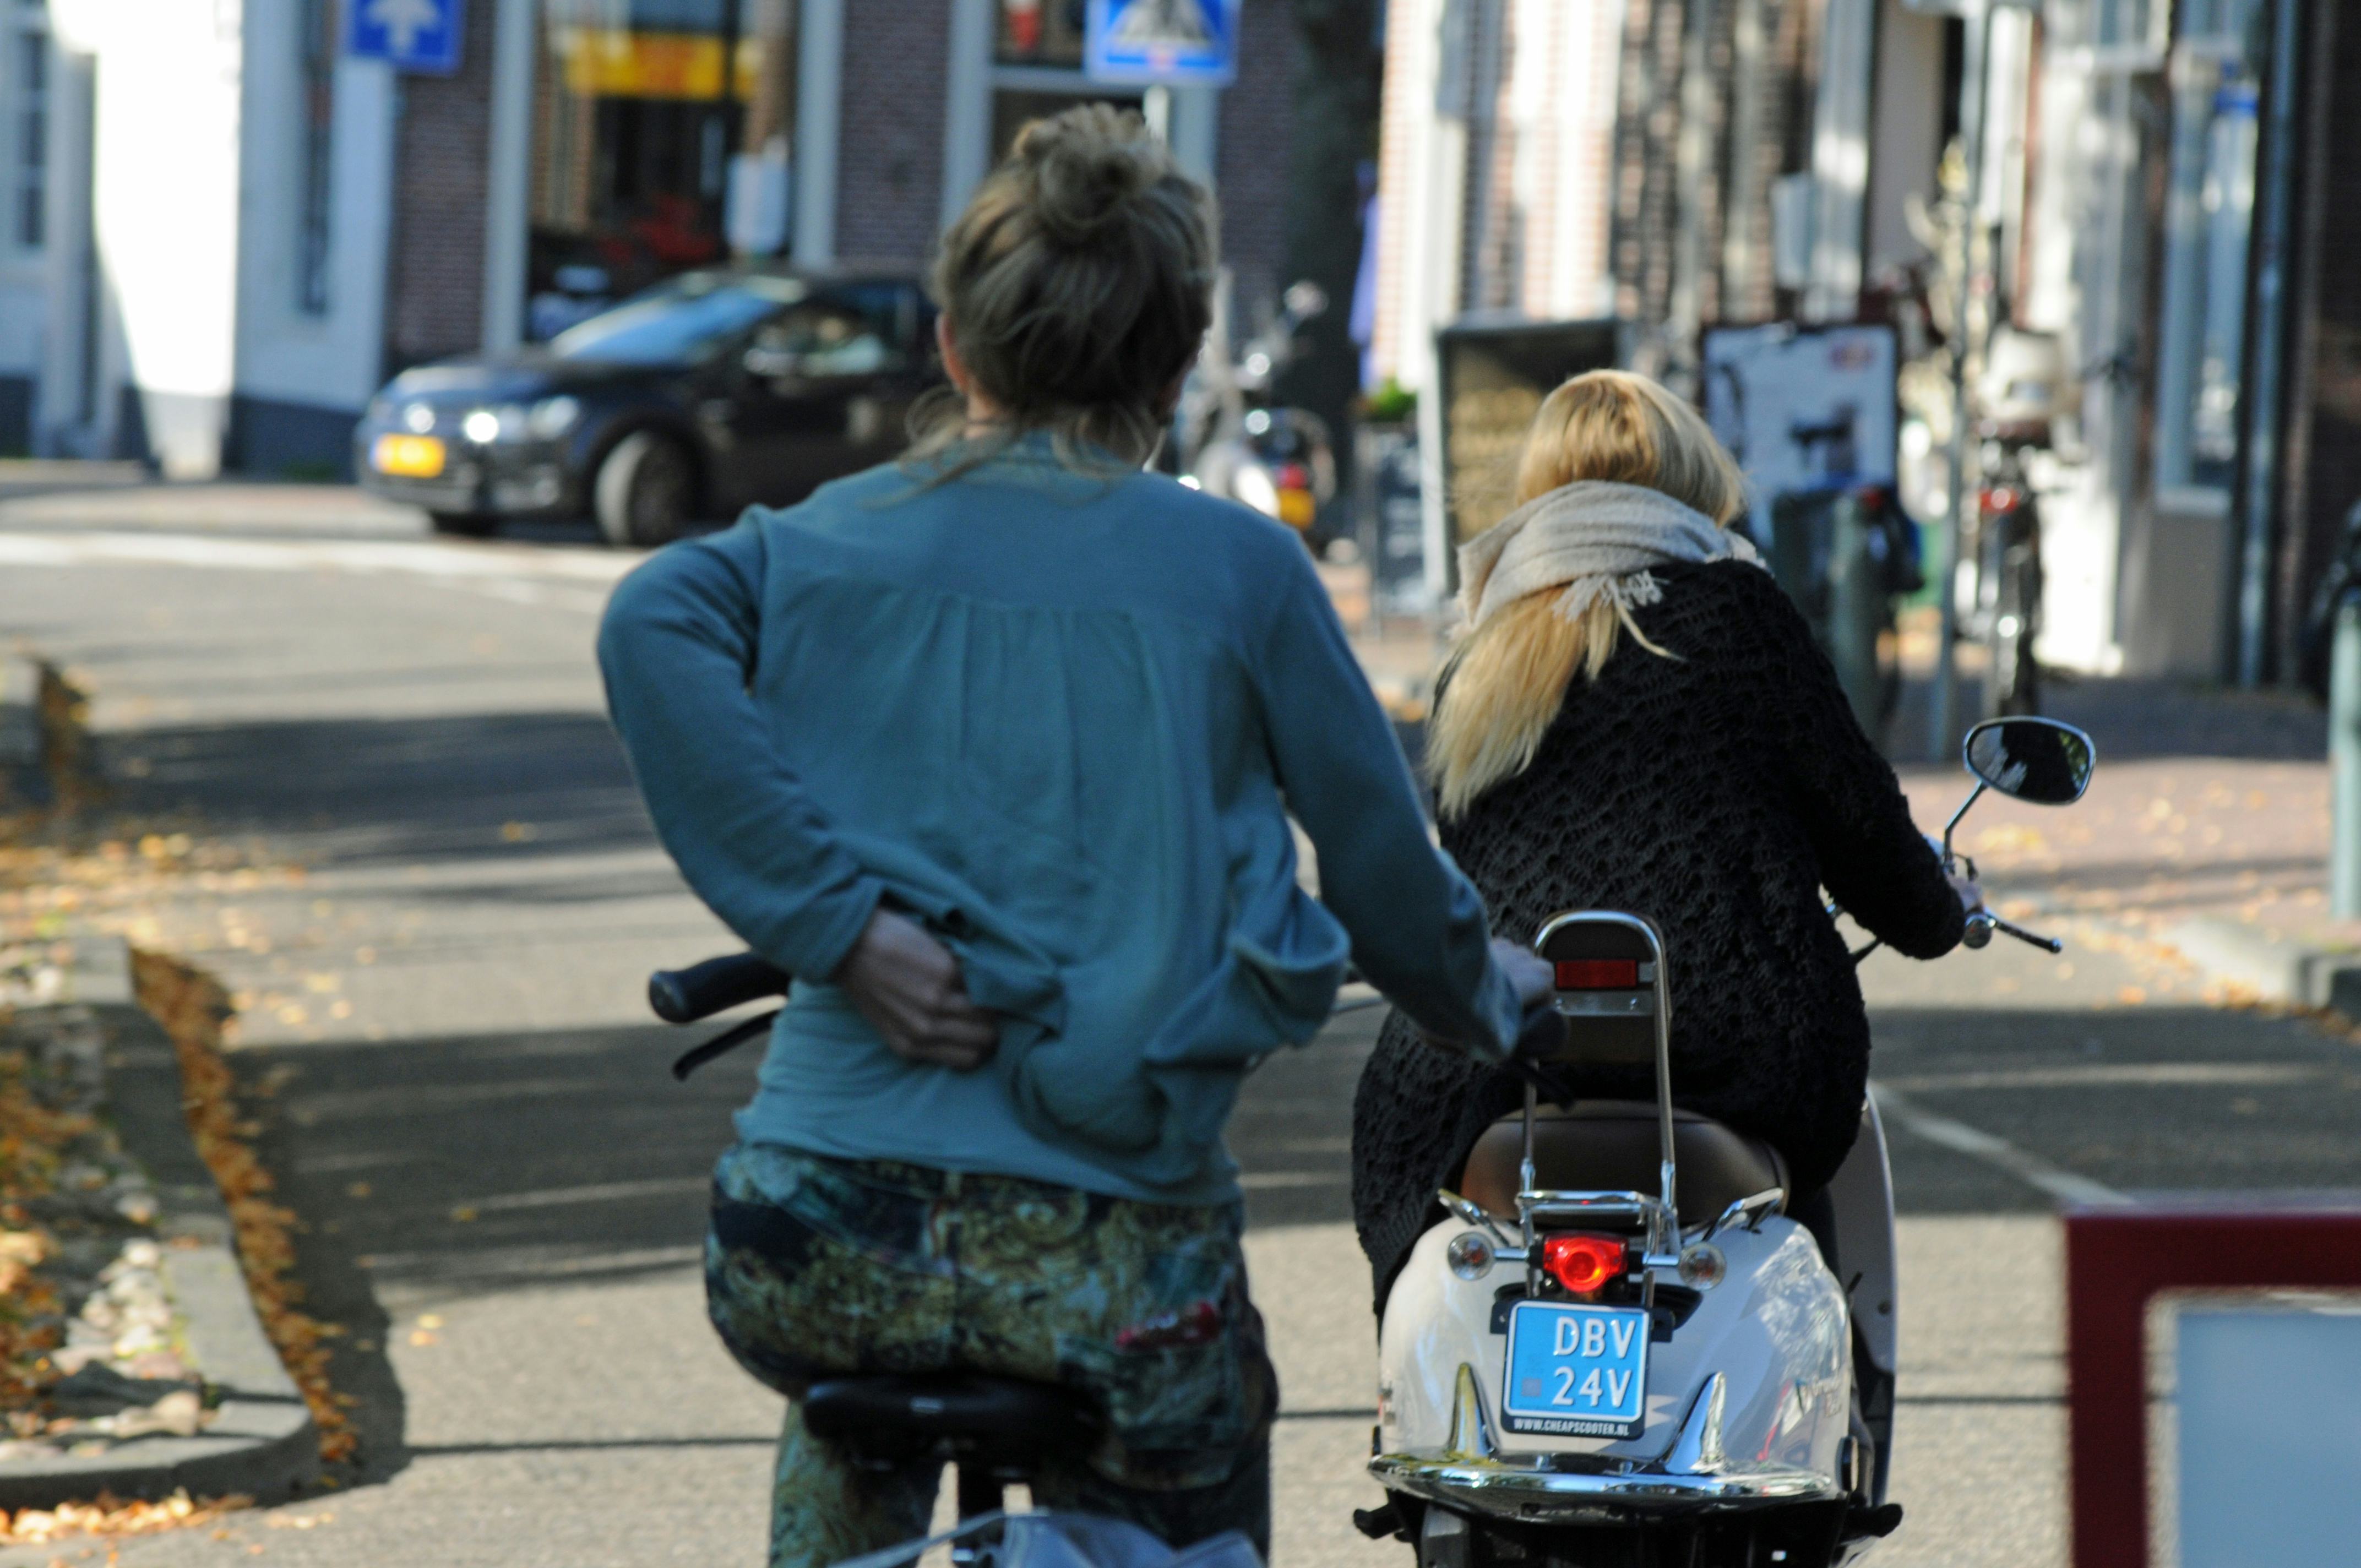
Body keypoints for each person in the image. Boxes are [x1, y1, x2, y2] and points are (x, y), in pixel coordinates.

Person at [597, 106, 1550, 1568]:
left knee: (848, 1410)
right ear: (1175, 368)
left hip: (812, 1233)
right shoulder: (1242, 572)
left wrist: (835, 924)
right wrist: (1488, 997)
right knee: (1193, 1437)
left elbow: (648, 619)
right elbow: (1380, 878)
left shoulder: (815, 543)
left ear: (953, 342)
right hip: (1113, 1263)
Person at [1350, 369, 1977, 1310]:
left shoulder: (1479, 651)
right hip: (1733, 1055)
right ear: (1691, 481)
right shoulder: (1740, 615)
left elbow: (1467, 860)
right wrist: (1941, 906)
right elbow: (1864, 828)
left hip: (1498, 1060)